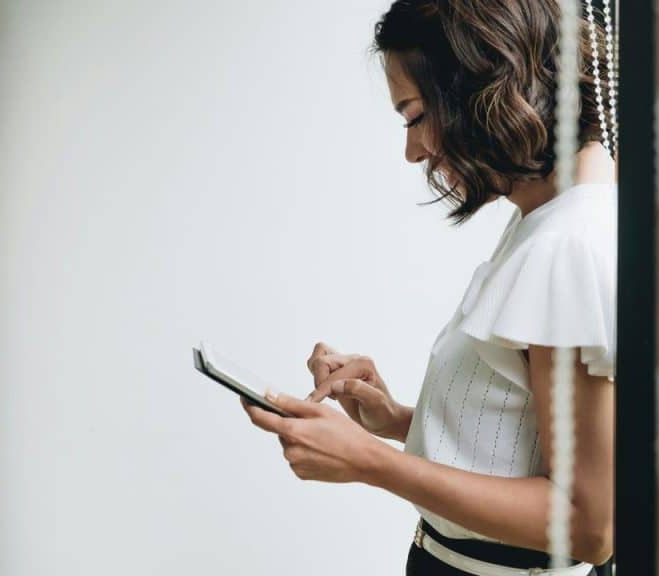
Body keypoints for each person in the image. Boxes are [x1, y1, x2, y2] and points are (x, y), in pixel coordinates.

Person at [241, 1, 616, 574]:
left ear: (481, 87)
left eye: (414, 115)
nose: (412, 150)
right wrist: (395, 420)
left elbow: (589, 525)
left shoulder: (567, 246)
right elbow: (522, 439)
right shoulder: (543, 221)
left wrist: (371, 462)